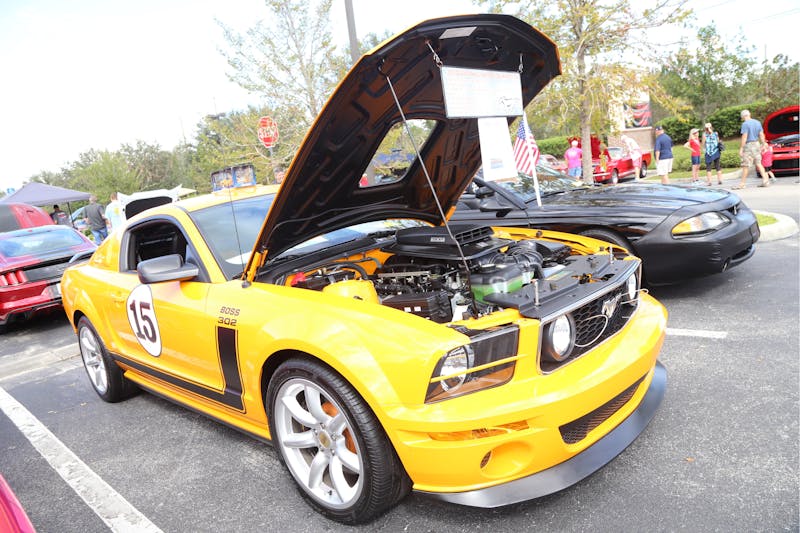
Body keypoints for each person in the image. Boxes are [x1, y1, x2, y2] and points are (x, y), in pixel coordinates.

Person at [735, 109, 769, 189]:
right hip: (757, 144)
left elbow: (744, 137)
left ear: (743, 116)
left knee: (745, 165)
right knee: (758, 163)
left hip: (749, 145)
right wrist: (763, 143)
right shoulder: (757, 122)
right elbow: (761, 134)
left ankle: (742, 184)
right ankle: (765, 181)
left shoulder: (745, 124)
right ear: (749, 114)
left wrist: (741, 148)